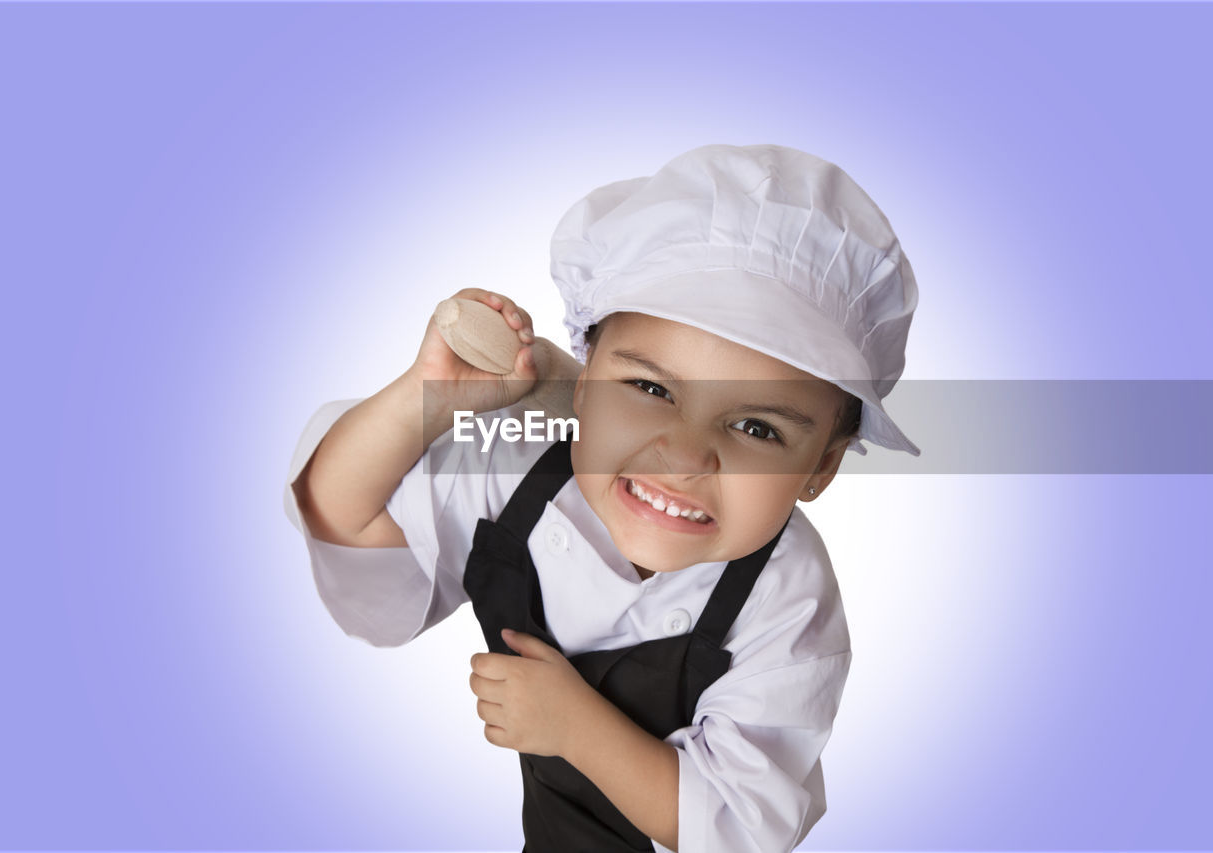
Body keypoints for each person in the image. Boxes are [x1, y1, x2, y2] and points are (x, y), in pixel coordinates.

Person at [282, 143, 921, 853]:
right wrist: (424, 398)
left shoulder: (787, 601)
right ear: (582, 382)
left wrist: (575, 725)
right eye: (650, 388)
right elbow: (342, 515)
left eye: (755, 427)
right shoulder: (523, 463)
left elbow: (741, 828)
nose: (682, 456)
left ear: (822, 467)